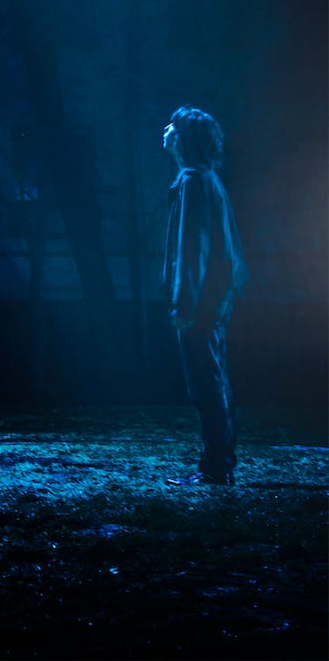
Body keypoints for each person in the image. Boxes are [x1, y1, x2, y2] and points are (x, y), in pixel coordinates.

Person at [162, 106, 248, 486]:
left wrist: (184, 303)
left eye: (172, 126)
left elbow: (191, 247)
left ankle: (215, 467)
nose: (165, 130)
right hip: (213, 301)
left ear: (182, 138)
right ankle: (220, 461)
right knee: (213, 379)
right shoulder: (207, 180)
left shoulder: (194, 181)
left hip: (201, 304)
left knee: (205, 383)